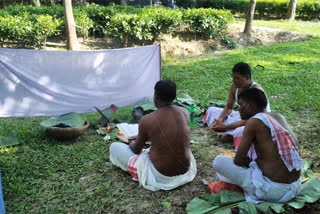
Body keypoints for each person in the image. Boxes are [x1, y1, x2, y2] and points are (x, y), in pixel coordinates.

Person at [212, 88, 304, 203]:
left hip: (274, 191)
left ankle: (259, 189)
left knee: (218, 162)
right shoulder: (278, 116)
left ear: (251, 105)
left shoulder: (254, 122)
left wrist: (244, 161)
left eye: (241, 105)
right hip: (296, 186)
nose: (239, 109)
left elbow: (239, 160)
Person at [109, 80, 197, 191]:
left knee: (114, 147)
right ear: (174, 96)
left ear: (155, 96)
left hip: (161, 176)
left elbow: (136, 150)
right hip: (187, 171)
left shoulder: (147, 120)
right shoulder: (185, 112)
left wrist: (131, 143)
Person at [204, 62, 271, 147]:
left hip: (255, 121)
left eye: (237, 78)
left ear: (247, 77)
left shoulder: (255, 91)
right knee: (211, 110)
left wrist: (225, 127)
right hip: (241, 116)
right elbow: (228, 107)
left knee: (245, 130)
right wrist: (219, 121)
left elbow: (251, 120)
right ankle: (225, 132)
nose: (234, 81)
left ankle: (230, 135)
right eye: (233, 78)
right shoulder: (234, 86)